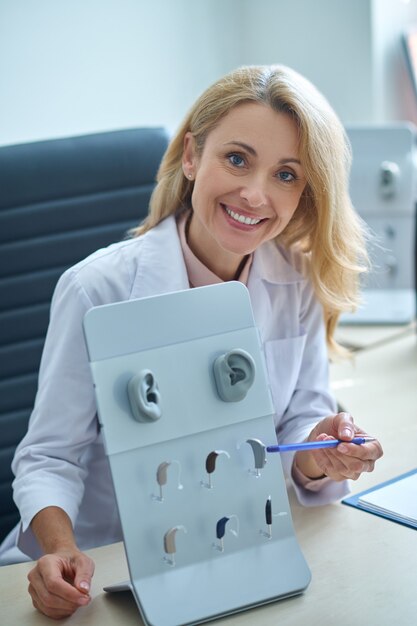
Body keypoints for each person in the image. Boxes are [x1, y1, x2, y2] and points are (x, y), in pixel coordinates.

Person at [0, 64, 383, 618]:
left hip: (238, 557)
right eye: (237, 159)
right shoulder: (97, 289)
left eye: (286, 175)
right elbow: (49, 457)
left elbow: (299, 425)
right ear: (190, 157)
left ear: (304, 193)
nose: (255, 194)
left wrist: (321, 451)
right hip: (110, 566)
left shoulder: (295, 280)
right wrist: (61, 550)